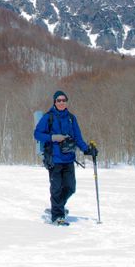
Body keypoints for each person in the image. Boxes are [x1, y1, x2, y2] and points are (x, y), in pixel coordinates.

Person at [33, 90, 97, 226]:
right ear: (54, 102)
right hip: (54, 159)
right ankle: (57, 216)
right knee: (56, 188)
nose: (61, 102)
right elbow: (37, 134)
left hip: (68, 158)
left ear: (66, 102)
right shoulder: (48, 117)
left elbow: (78, 137)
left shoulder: (71, 118)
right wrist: (53, 137)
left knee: (70, 187)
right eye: (58, 100)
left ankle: (58, 207)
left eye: (63, 100)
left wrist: (87, 150)